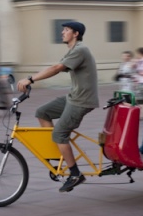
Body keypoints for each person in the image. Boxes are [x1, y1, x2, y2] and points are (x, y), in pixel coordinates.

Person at [17, 21, 99, 192]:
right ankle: (59, 155)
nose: (62, 32)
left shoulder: (80, 50)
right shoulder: (72, 50)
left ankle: (75, 174)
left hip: (82, 101)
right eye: (63, 30)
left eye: (66, 30)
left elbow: (56, 68)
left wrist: (30, 79)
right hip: (73, 97)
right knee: (42, 112)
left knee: (60, 133)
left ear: (75, 33)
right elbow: (54, 68)